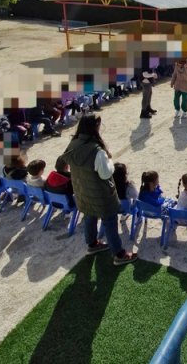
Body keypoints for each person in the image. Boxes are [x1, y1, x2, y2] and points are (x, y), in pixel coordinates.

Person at [59, 113, 136, 266]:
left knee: (89, 216)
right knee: (110, 222)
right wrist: (110, 162)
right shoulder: (97, 151)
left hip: (82, 190)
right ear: (94, 127)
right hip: (100, 194)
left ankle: (92, 244)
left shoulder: (73, 144)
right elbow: (106, 174)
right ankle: (119, 254)